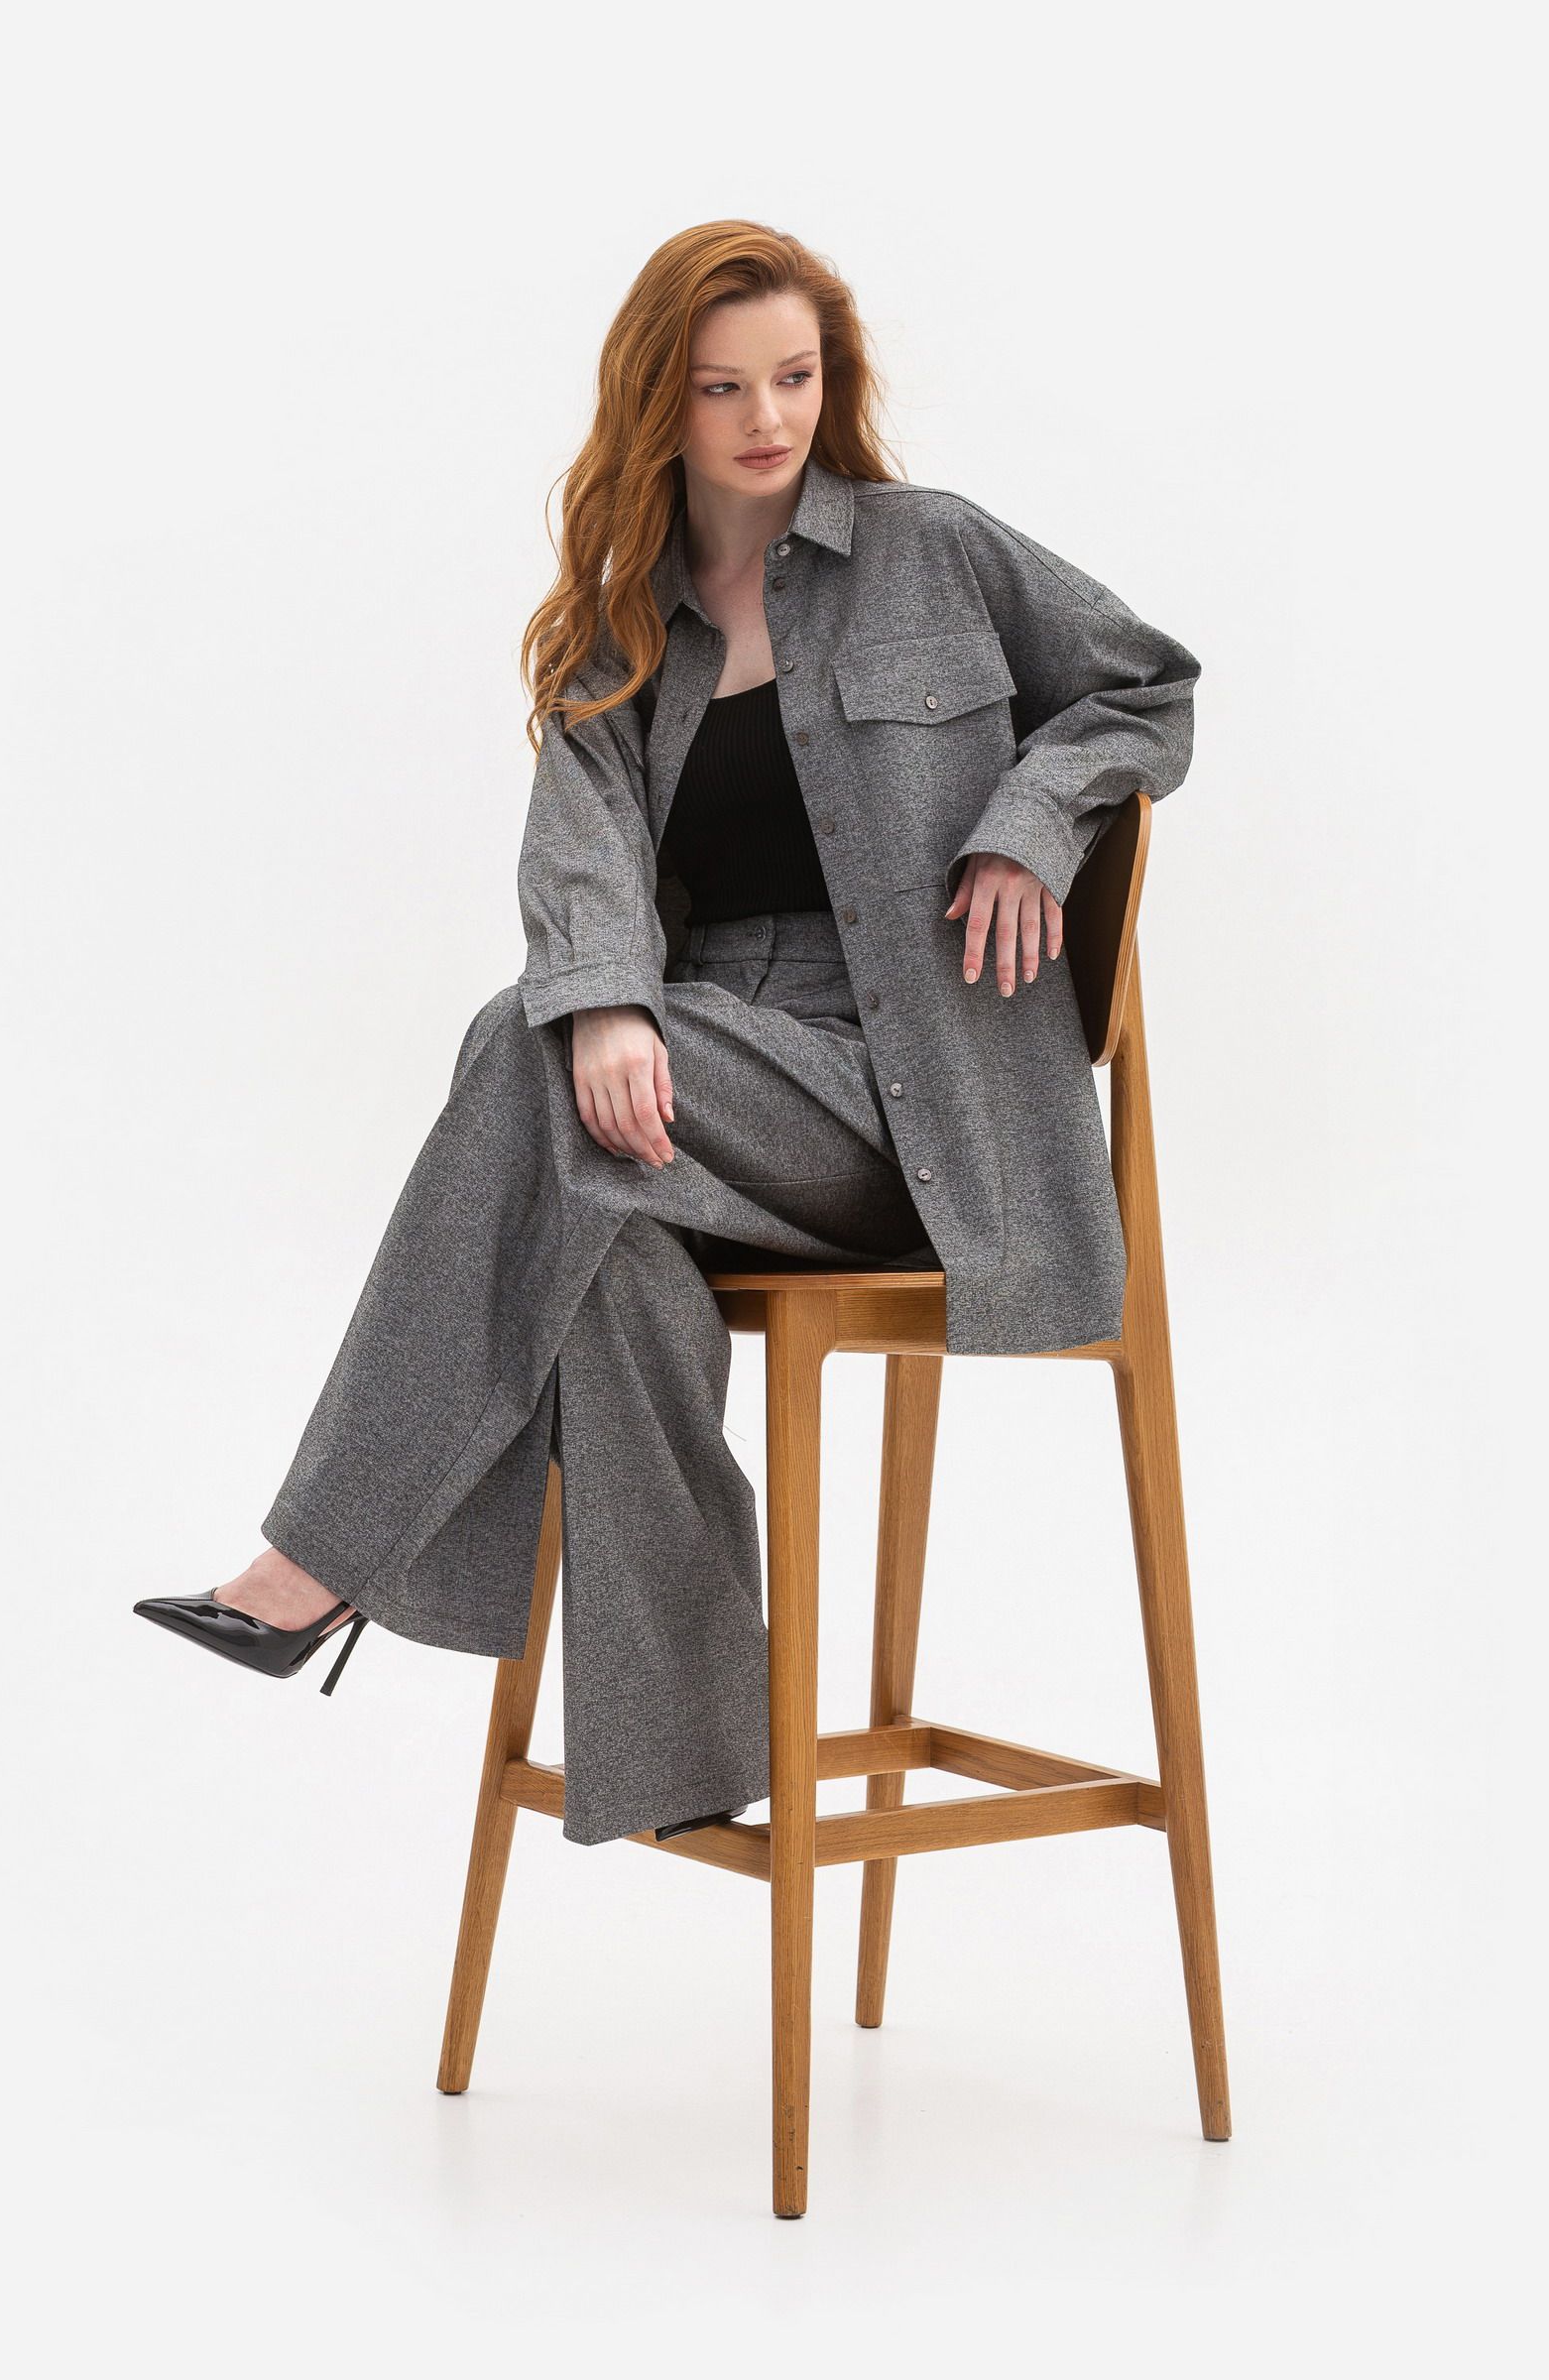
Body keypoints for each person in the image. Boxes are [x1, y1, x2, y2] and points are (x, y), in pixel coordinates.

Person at [134, 220, 1201, 1847]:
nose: (769, 417)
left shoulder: (933, 551)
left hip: (916, 1105)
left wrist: (1030, 821)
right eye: (723, 388)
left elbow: (1150, 689)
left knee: (523, 1044)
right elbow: (578, 865)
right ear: (661, 402)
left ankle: (319, 1561)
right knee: (600, 1240)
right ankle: (690, 1760)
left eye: (795, 377)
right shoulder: (616, 632)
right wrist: (612, 1001)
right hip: (703, 1081)